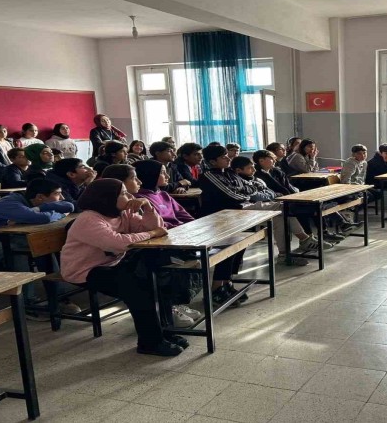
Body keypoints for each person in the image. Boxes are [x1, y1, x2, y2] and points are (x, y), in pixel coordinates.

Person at [59, 179, 181, 357]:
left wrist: (147, 207)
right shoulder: (89, 219)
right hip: (84, 270)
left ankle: (165, 333)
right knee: (138, 288)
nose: (130, 196)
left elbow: (157, 227)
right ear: (107, 198)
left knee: (155, 280)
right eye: (123, 193)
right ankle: (150, 342)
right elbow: (117, 243)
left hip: (113, 264)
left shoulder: (122, 214)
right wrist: (152, 234)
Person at [133, 160, 248, 309]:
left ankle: (224, 283)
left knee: (235, 240)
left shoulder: (163, 194)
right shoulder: (141, 200)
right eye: (162, 172)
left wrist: (196, 228)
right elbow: (158, 225)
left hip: (184, 235)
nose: (167, 175)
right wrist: (183, 230)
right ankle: (216, 289)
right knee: (225, 245)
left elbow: (184, 215)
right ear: (150, 175)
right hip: (168, 242)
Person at [199, 146, 324, 266]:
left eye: (227, 155)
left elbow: (253, 186)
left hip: (243, 207)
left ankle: (284, 255)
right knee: (283, 207)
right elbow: (234, 196)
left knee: (280, 214)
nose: (228, 158)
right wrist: (247, 192)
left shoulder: (229, 173)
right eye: (223, 157)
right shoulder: (209, 176)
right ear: (212, 161)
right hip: (228, 213)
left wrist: (245, 190)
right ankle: (304, 239)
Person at [0, 179, 74, 308]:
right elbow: (44, 218)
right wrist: (54, 213)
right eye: (57, 194)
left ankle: (58, 297)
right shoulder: (10, 203)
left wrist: (41, 208)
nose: (62, 197)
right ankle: (28, 303)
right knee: (17, 252)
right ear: (40, 197)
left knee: (41, 245)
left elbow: (69, 206)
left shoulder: (28, 202)